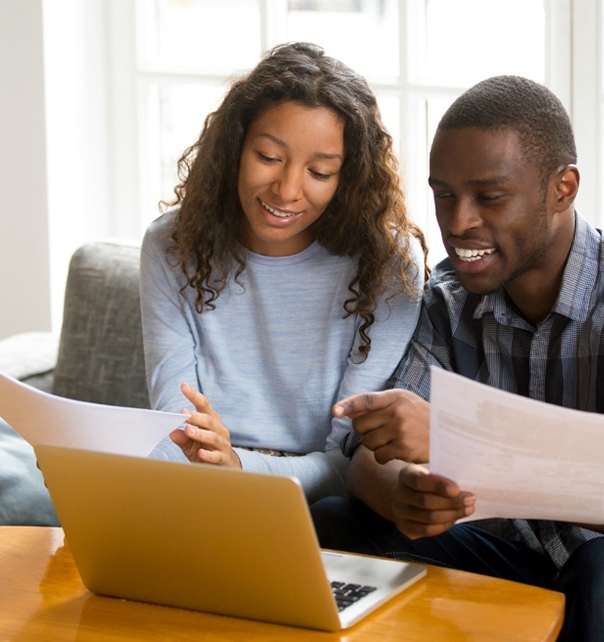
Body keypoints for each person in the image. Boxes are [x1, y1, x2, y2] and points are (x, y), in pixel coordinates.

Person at [311, 75, 604, 641]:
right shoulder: (449, 301)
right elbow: (368, 460)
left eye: (490, 196)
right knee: (338, 520)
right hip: (535, 568)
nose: (458, 223)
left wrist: (464, 440)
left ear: (563, 188)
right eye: (445, 194)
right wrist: (403, 490)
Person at [140, 42, 428, 503]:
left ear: (347, 177)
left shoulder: (389, 266)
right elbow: (175, 426)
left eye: (319, 171)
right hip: (194, 484)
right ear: (235, 148)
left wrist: (237, 465)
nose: (288, 189)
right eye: (269, 158)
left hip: (313, 501)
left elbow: (347, 463)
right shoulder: (172, 244)